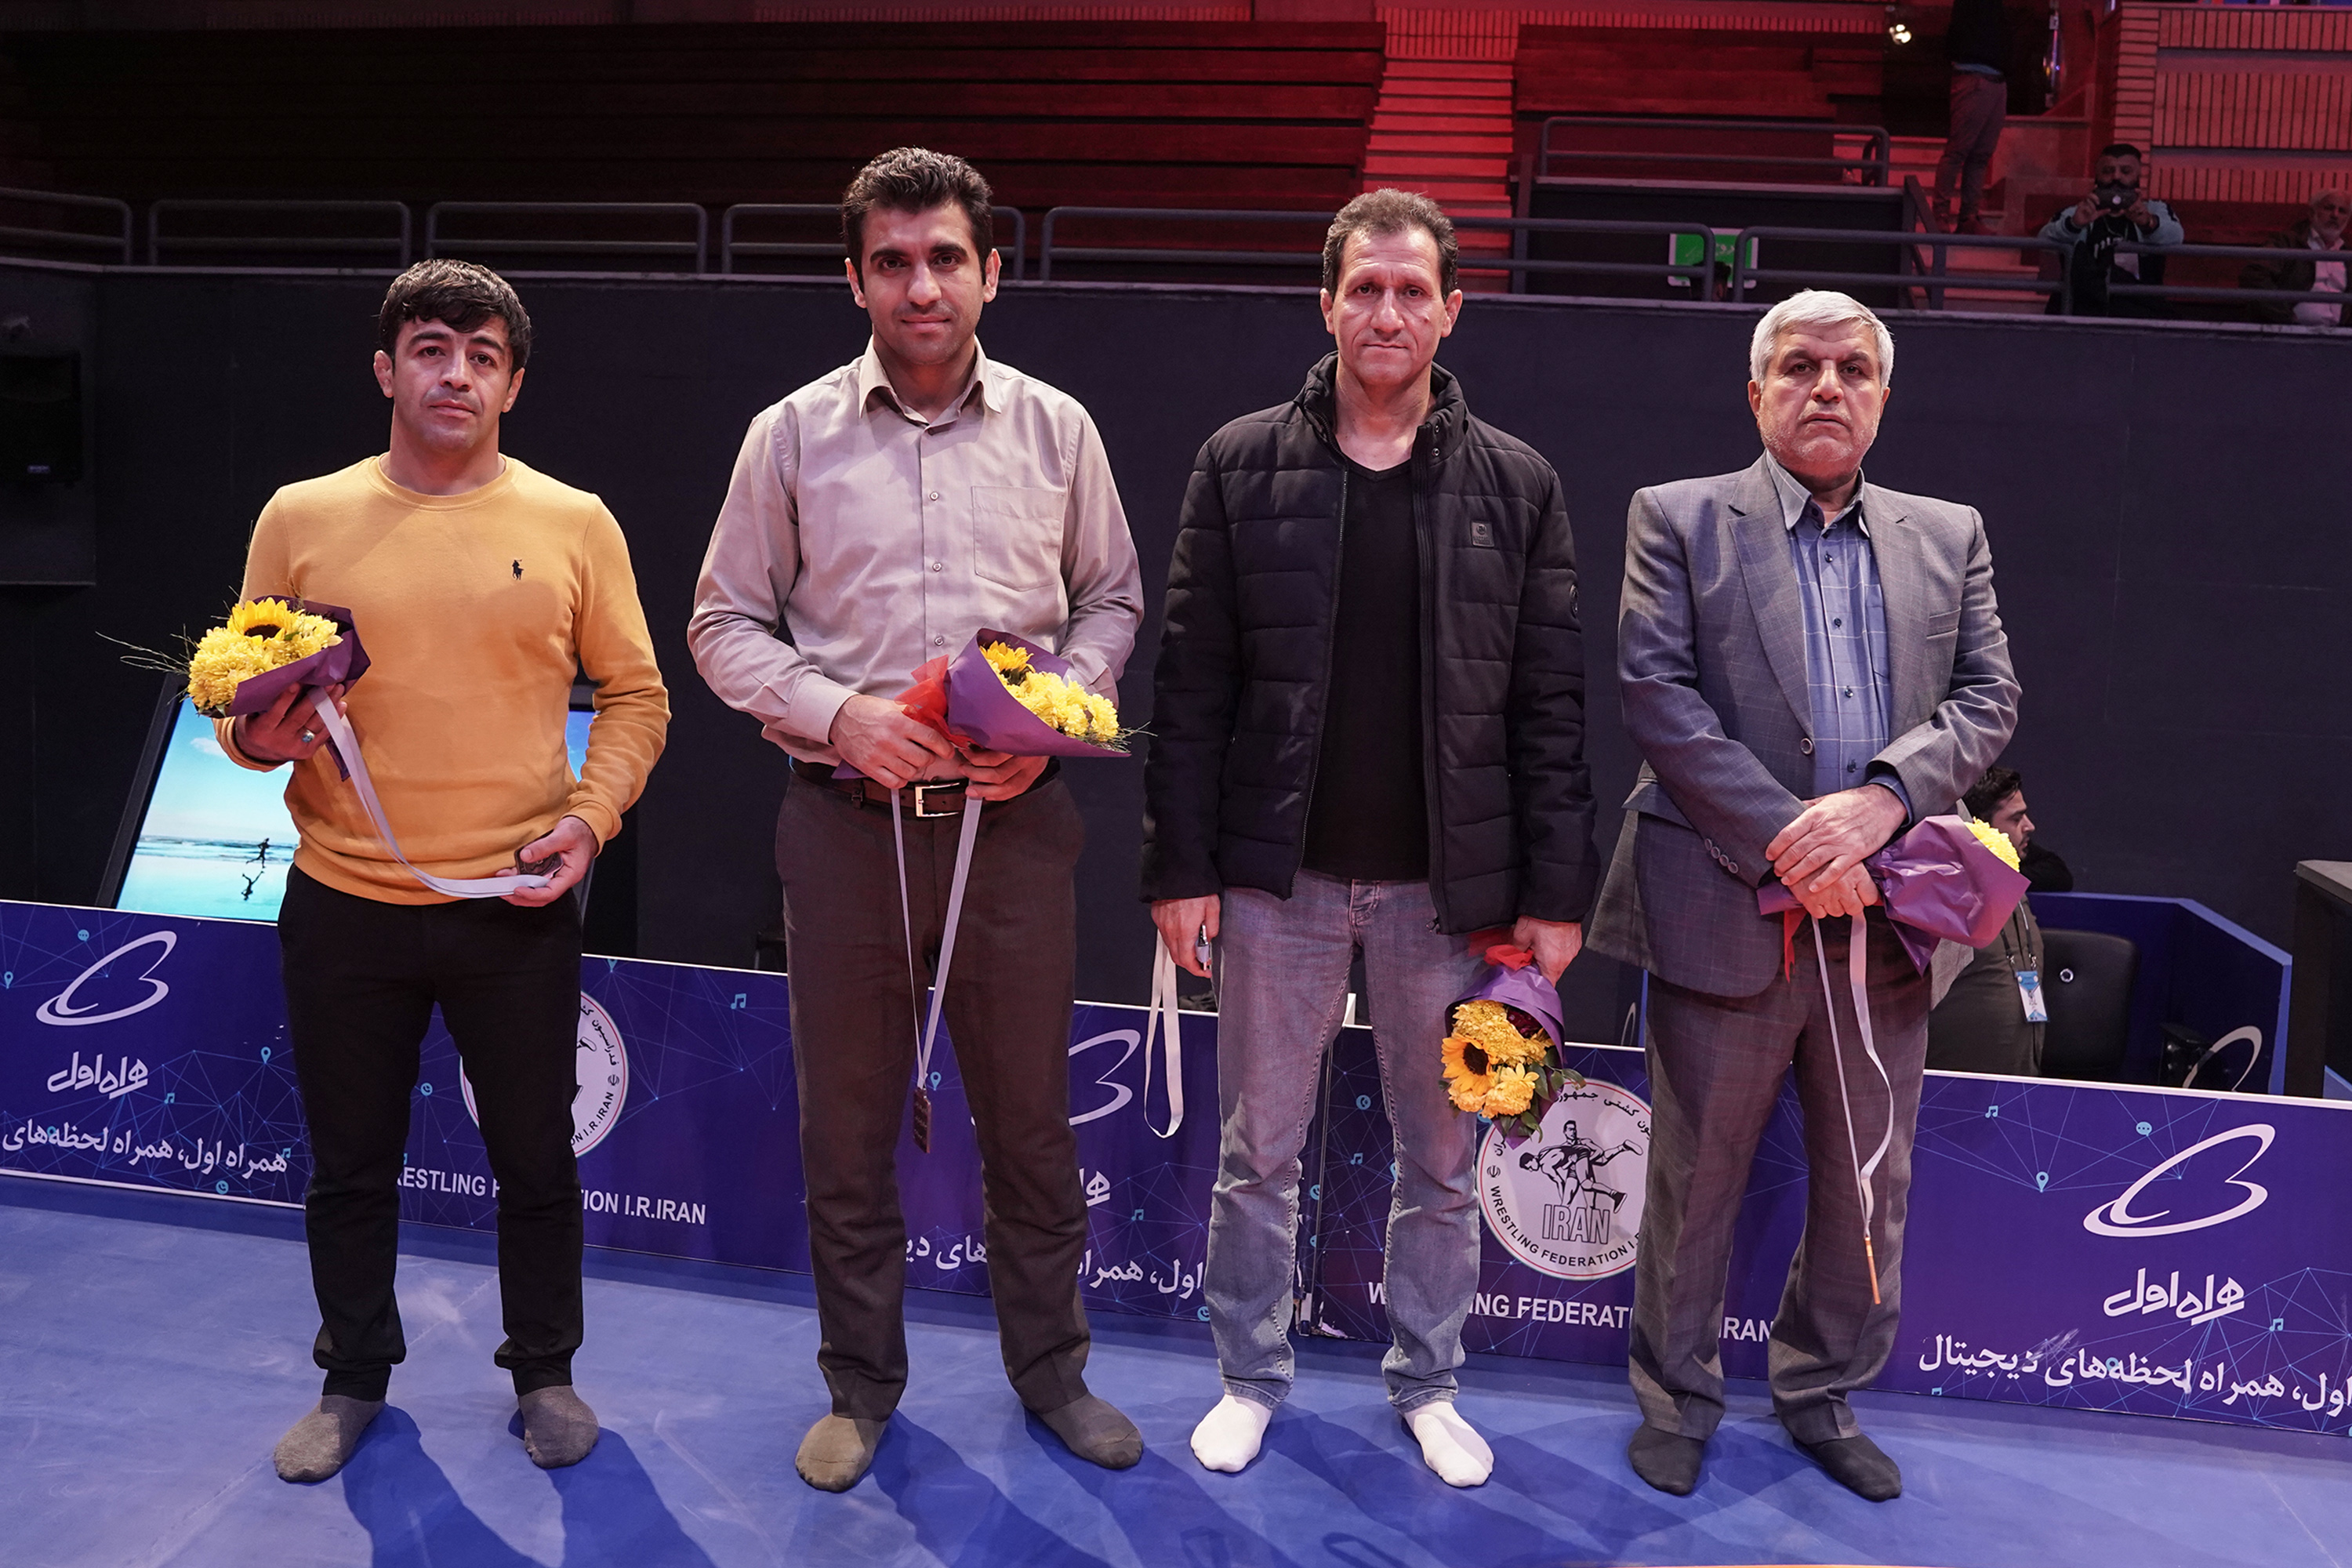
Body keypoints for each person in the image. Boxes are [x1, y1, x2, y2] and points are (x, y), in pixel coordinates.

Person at [688, 147, 1147, 1492]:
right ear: (855, 279)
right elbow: (722, 622)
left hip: (1016, 831)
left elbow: (1112, 602)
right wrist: (839, 715)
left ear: (991, 271)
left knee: (1031, 1127)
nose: (922, 285)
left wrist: (1056, 713)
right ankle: (860, 1385)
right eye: (892, 261)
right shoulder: (789, 437)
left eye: (946, 257)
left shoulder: (1059, 430)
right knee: (846, 1130)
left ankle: (1053, 1374)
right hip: (845, 827)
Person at [1141, 188, 1602, 1486]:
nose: (1387, 312)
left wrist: (1555, 894)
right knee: (1257, 1159)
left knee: (1442, 1162)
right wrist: (1181, 868)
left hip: (1452, 900)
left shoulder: (1521, 484)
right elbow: (1190, 686)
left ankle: (1429, 1381)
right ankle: (1249, 1377)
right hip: (1272, 884)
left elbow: (1551, 707)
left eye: (1411, 291)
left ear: (1452, 311)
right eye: (1365, 288)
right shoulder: (1239, 464)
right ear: (1327, 304)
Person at [224, 260, 670, 1482]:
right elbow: (244, 702)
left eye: (483, 356)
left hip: (513, 902)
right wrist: (258, 741)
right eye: (431, 348)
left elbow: (636, 695)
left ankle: (546, 1373)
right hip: (342, 900)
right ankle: (353, 1377)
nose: (455, 374)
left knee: (536, 1159)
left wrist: (591, 820)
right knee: (348, 1165)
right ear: (388, 369)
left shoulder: (575, 522)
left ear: (513, 384)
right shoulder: (300, 516)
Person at [1585, 289, 2019, 1502]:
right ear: (1756, 390)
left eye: (1851, 369)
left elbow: (1988, 699)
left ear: (1882, 395)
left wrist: (1881, 804)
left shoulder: (1951, 534)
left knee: (1868, 1183)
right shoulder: (1677, 518)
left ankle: (1822, 1392)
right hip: (1724, 903)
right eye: (1799, 365)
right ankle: (1676, 1397)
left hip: (1889, 926)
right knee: (1696, 1181)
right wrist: (1796, 842)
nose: (1827, 386)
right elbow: (1658, 697)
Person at [1928, 765, 2048, 1075]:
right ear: (1980, 826)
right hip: (1951, 1086)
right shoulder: (1950, 897)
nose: (2030, 826)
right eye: (2016, 819)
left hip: (2018, 1082)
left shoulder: (2014, 887)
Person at [2038, 144, 2183, 318]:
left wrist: (2147, 222)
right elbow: (2043, 242)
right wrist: (2074, 225)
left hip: (2140, 309)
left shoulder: (2155, 209)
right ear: (2097, 176)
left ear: (2138, 176)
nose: (2116, 177)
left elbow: (2176, 236)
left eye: (2126, 171)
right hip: (2085, 310)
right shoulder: (2076, 212)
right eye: (2108, 171)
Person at [1934, 0, 2011, 235]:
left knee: (1980, 155)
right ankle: (1940, 215)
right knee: (1959, 151)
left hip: (1992, 77)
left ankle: (1968, 217)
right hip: (1975, 75)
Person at [2240, 190, 2350, 327]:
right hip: (2289, 332)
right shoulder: (2287, 243)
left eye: (2342, 211)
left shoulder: (2347, 255)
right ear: (2312, 213)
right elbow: (2254, 275)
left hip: (2340, 336)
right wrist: (2284, 317)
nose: (2335, 215)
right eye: (2328, 208)